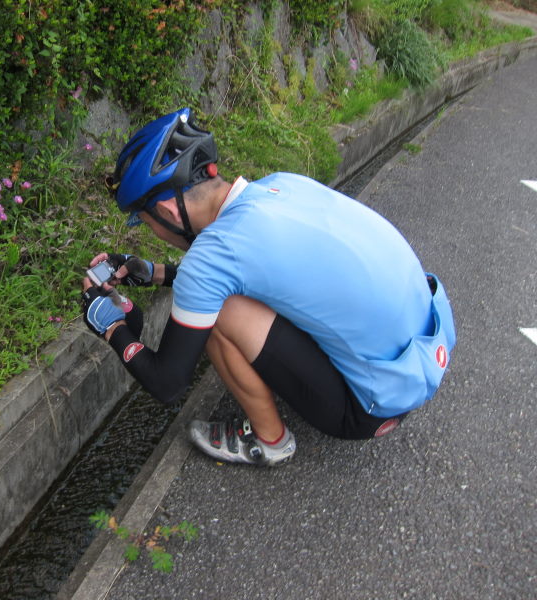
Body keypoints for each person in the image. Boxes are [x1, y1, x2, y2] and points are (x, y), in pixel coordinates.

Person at [80, 107, 456, 466]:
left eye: (145, 223)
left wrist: (109, 324)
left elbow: (167, 382)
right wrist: (151, 271)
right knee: (216, 295)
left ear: (168, 212)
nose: (152, 231)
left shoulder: (212, 258)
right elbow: (235, 270)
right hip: (420, 360)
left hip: (368, 410)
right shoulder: (280, 186)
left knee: (216, 314)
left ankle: (269, 442)